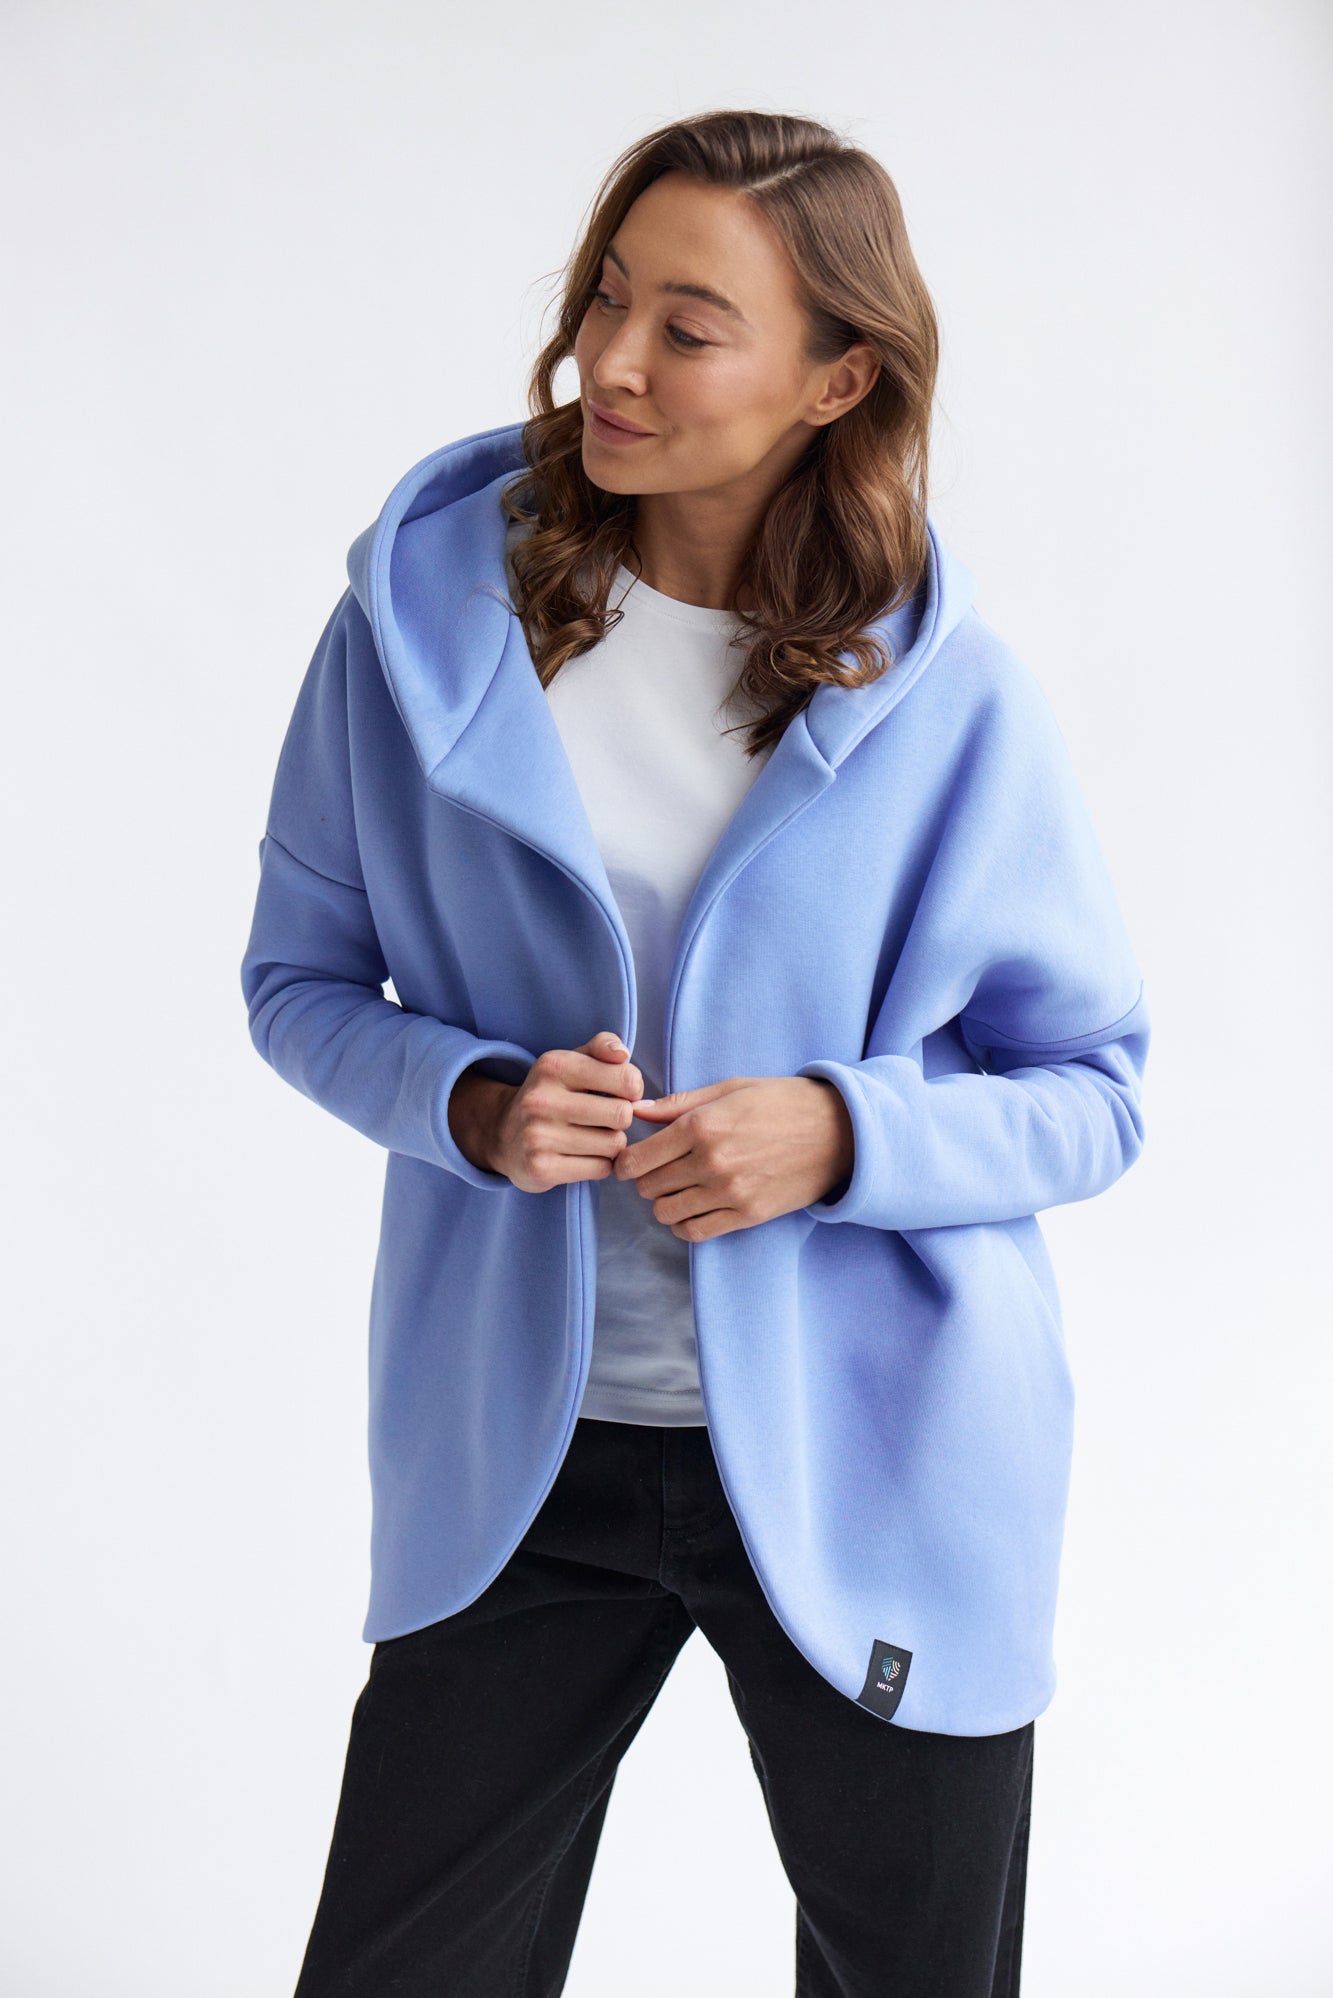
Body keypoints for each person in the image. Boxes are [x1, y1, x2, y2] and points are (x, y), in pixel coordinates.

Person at [241, 108, 1150, 1998]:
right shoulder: (416, 635)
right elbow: (298, 984)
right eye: (604, 296)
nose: (612, 361)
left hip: (874, 1459)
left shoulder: (944, 697)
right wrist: (471, 1101)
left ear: (837, 377)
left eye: (688, 324)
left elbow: (1092, 1088)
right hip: (522, 1457)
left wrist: (841, 1133)